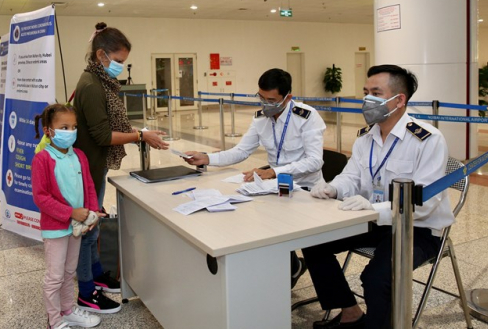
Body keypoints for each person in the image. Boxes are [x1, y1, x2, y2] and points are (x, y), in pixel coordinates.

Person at [304, 65, 455, 329]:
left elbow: (424, 202)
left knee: (376, 277)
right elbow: (351, 176)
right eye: (365, 92)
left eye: (376, 93)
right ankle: (350, 312)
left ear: (399, 100)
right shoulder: (366, 138)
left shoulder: (427, 139)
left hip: (417, 229)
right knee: (313, 242)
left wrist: (375, 208)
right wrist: (333, 188)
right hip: (374, 221)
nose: (367, 99)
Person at [184, 68, 326, 287]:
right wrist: (207, 158)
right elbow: (241, 151)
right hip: (275, 186)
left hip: (306, 189)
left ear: (288, 97)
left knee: (306, 243)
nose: (266, 104)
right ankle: (288, 269)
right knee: (261, 225)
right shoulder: (261, 119)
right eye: (261, 98)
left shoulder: (306, 117)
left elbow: (315, 161)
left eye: (272, 100)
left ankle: (291, 270)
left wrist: (273, 171)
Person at [73, 22, 168, 313]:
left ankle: (96, 275)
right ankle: (86, 292)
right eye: (118, 60)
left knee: (94, 226)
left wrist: (139, 132)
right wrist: (140, 136)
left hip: (95, 164)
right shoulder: (92, 85)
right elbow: (103, 135)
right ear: (101, 55)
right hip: (87, 169)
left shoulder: (101, 80)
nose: (120, 67)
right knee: (87, 229)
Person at [31, 104, 102, 329]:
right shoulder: (42, 159)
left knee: (69, 271)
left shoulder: (79, 155)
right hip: (56, 228)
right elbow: (41, 197)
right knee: (55, 276)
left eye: (74, 127)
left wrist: (92, 211)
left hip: (77, 227)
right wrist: (70, 212)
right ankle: (54, 320)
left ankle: (68, 310)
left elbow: (88, 185)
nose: (70, 132)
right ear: (48, 131)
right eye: (64, 127)